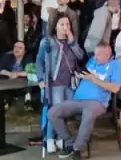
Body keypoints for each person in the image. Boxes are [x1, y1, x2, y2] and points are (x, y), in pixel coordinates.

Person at [49, 42, 121, 160]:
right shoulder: (92, 61)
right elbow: (86, 75)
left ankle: (78, 148)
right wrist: (80, 75)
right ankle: (70, 143)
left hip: (97, 102)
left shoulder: (116, 66)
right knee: (53, 112)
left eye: (98, 55)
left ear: (107, 55)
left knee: (88, 113)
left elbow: (115, 88)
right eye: (95, 54)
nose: (95, 57)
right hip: (78, 100)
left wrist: (94, 79)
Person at [35, 15, 85, 151]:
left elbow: (80, 56)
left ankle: (61, 137)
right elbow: (39, 60)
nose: (65, 27)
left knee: (65, 111)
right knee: (54, 111)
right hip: (54, 83)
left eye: (67, 24)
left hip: (69, 82)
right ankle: (50, 138)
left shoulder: (72, 42)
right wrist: (40, 79)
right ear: (55, 26)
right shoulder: (47, 42)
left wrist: (72, 41)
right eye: (62, 24)